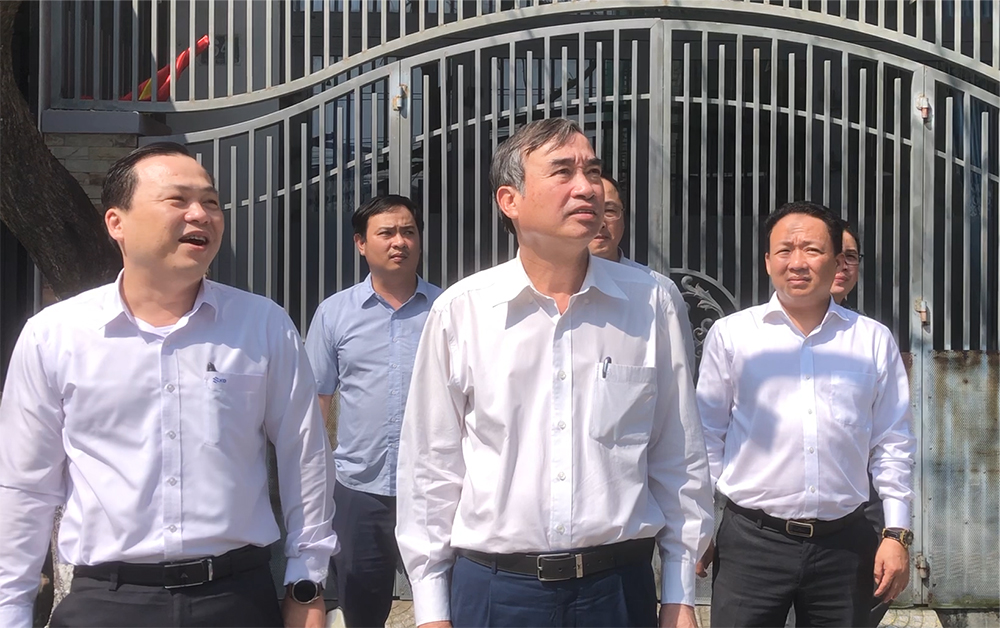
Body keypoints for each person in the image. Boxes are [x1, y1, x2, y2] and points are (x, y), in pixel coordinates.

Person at [0, 143, 338, 628]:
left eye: (211, 202)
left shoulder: (263, 325)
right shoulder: (55, 335)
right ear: (116, 222)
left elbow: (304, 457)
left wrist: (307, 581)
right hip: (107, 602)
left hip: (236, 599)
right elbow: (25, 487)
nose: (200, 215)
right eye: (177, 200)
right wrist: (11, 609)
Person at [395, 118, 714, 628]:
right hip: (496, 591)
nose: (586, 187)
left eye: (593, 171)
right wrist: (431, 610)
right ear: (510, 200)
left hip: (617, 591)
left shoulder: (651, 303)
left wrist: (680, 594)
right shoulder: (463, 310)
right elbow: (430, 471)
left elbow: (678, 458)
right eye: (563, 172)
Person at [696, 201, 915, 627]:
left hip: (844, 545)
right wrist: (699, 524)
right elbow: (706, 437)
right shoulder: (733, 335)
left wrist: (896, 533)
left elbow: (893, 442)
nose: (797, 262)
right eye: (784, 250)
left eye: (812, 250)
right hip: (752, 543)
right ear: (767, 261)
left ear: (836, 261)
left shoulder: (871, 340)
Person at [305, 194, 442, 628]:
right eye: (386, 232)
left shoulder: (447, 309)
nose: (399, 241)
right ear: (361, 243)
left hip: (436, 487)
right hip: (359, 490)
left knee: (447, 604)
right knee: (362, 608)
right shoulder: (334, 314)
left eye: (408, 231)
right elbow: (316, 402)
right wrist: (316, 484)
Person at [829, 221, 892, 628]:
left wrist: (894, 531)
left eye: (850, 256)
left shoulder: (870, 337)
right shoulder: (753, 337)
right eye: (832, 255)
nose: (841, 265)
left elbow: (891, 433)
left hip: (860, 506)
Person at [588, 174, 696, 368]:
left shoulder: (659, 291)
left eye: (610, 210)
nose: (601, 222)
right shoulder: (547, 291)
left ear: (623, 218)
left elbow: (680, 374)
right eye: (590, 210)